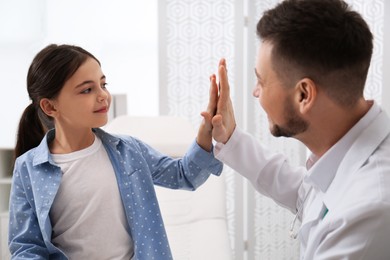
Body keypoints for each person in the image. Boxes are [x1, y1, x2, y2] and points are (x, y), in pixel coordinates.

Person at [204, 0, 390, 258]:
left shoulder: (367, 213)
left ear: (304, 94)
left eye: (261, 81)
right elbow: (305, 192)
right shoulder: (349, 147)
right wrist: (230, 137)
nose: (255, 92)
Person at [8, 44, 223, 260]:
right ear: (50, 107)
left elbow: (184, 175)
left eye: (103, 84)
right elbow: (27, 247)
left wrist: (206, 132)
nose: (103, 96)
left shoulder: (129, 151)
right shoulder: (28, 169)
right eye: (87, 90)